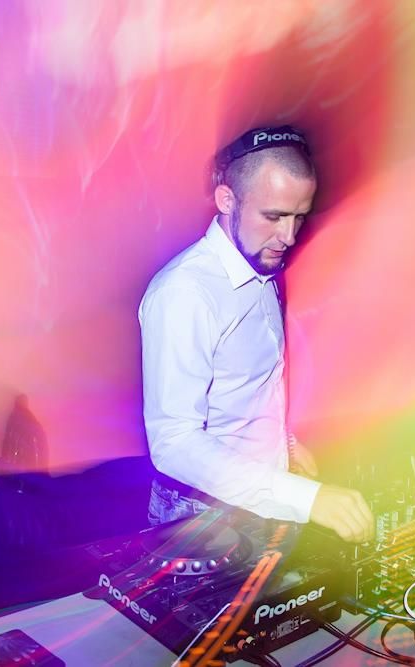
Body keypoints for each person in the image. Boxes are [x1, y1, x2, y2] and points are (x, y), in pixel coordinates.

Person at [138, 125, 374, 543]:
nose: (289, 236)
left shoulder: (263, 265)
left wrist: (283, 444)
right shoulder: (184, 293)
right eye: (274, 216)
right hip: (200, 518)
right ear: (227, 200)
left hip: (263, 499)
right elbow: (174, 442)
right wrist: (305, 498)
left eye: (299, 217)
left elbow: (247, 385)